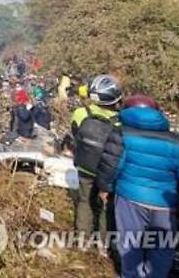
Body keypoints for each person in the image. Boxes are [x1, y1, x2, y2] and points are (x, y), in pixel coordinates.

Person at [96, 95, 179, 278]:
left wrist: (104, 188)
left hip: (130, 199)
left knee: (131, 246)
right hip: (164, 204)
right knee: (161, 251)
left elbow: (111, 166)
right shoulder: (176, 141)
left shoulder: (122, 134)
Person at [71, 74, 122, 238]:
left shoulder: (80, 113)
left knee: (84, 201)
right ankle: (103, 243)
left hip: (84, 166)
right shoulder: (121, 120)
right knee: (106, 206)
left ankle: (82, 237)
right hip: (108, 171)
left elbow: (75, 134)